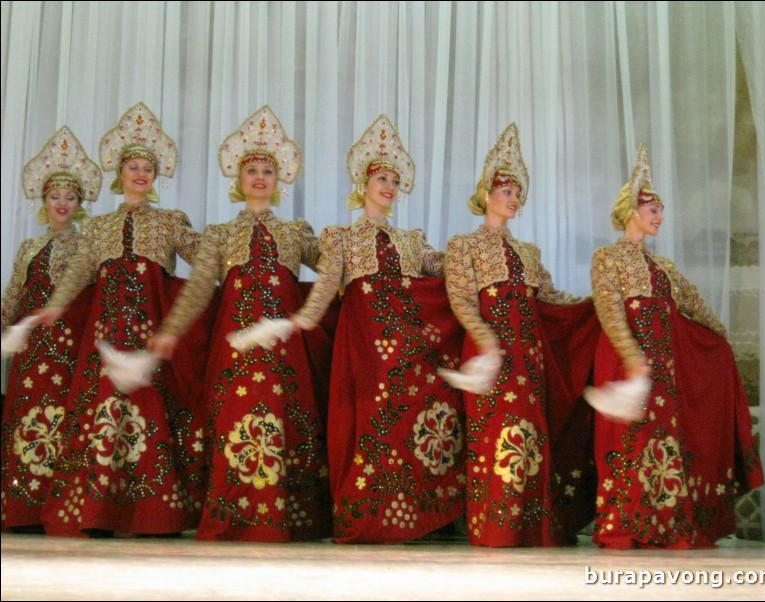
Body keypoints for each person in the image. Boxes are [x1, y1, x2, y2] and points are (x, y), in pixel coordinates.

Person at [149, 105, 331, 542]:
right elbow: (197, 289)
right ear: (239, 179)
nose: (260, 177)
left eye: (268, 170)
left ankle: (284, 517)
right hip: (236, 345)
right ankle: (235, 514)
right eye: (252, 170)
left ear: (278, 179)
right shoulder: (219, 234)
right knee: (234, 416)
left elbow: (333, 269)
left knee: (285, 417)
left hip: (282, 347)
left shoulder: (296, 232)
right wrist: (171, 330)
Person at [35, 102, 210, 536]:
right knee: (103, 412)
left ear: (154, 177)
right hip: (107, 333)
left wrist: (177, 322)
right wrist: (57, 302)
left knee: (150, 411)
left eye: (146, 169)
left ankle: (156, 514)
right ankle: (98, 513)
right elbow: (79, 269)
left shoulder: (170, 222)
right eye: (132, 167)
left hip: (149, 333)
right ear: (120, 172)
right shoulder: (98, 228)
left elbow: (207, 260)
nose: (139, 174)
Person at [290, 115, 465, 543]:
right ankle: (373, 517)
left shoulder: (412, 240)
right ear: (363, 184)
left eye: (393, 179)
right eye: (380, 177)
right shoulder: (341, 237)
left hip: (410, 342)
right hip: (366, 344)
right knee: (371, 420)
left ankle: (418, 517)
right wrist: (299, 320)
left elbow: (444, 270)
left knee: (412, 421)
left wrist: (472, 252)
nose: (388, 185)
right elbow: (328, 284)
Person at [590, 145, 764, 548]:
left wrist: (719, 339)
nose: (660, 218)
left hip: (663, 368)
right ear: (633, 211)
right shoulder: (608, 258)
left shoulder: (664, 267)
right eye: (654, 211)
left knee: (666, 439)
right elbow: (610, 311)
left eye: (661, 211)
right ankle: (627, 526)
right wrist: (634, 361)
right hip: (625, 363)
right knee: (629, 441)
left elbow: (694, 305)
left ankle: (668, 523)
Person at [444, 123, 599, 547]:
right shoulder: (464, 245)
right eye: (506, 191)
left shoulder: (529, 253)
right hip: (487, 355)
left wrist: (597, 305)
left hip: (527, 358)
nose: (512, 199)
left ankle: (530, 527)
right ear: (487, 194)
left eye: (518, 194)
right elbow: (461, 299)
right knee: (492, 436)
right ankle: (496, 528)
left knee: (530, 438)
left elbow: (551, 298)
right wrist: (488, 342)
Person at [1, 127, 101, 531]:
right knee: (25, 416)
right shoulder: (28, 248)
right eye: (55, 196)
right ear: (43, 200)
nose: (62, 203)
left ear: (79, 204)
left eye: (70, 197)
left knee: (65, 419)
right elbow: (14, 294)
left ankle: (59, 507)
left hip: (69, 347)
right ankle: (22, 508)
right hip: (30, 349)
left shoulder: (87, 246)